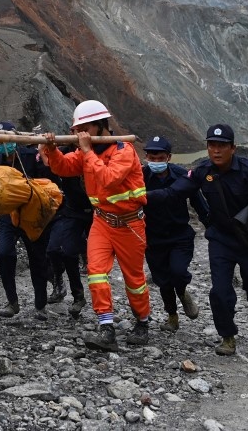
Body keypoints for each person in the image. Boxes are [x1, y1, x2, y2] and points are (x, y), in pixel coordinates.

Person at [144, 124, 248, 356]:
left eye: (222, 146)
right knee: (220, 291)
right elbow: (173, 193)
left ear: (233, 148)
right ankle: (227, 337)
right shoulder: (202, 172)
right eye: (212, 145)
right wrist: (141, 197)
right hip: (221, 240)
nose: (216, 150)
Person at [39, 100, 151, 352]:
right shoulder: (85, 152)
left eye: (85, 128)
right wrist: (52, 150)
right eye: (78, 130)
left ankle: (143, 321)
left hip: (130, 224)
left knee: (134, 280)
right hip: (102, 221)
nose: (81, 134)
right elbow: (64, 167)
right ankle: (106, 328)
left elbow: (108, 179)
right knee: (96, 272)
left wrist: (87, 151)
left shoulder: (124, 150)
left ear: (101, 125)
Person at [142, 135, 210, 332]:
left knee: (178, 272)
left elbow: (199, 203)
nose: (155, 162)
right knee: (163, 281)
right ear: (146, 157)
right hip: (153, 237)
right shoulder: (140, 176)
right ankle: (172, 316)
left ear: (169, 157)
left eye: (160, 158)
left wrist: (211, 227)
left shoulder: (182, 175)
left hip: (180, 235)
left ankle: (182, 292)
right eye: (152, 158)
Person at [0, 121, 53, 320]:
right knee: (4, 255)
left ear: (15, 138)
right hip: (7, 216)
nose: (3, 143)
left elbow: (48, 181)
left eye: (6, 138)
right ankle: (12, 301)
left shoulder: (30, 157)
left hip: (31, 216)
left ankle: (40, 305)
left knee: (38, 259)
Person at [45, 143, 93, 318]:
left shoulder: (97, 152)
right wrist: (47, 146)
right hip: (73, 211)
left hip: (97, 211)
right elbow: (49, 162)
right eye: (74, 130)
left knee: (98, 262)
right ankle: (77, 296)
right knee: (62, 251)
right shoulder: (64, 152)